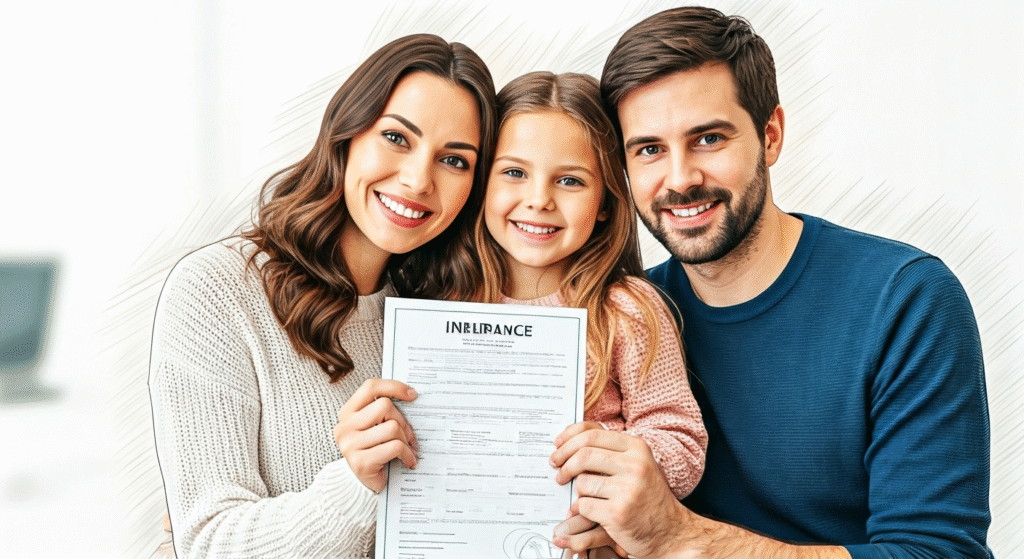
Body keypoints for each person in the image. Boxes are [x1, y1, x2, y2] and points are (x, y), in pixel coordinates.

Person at [548, 6, 993, 559]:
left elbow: (939, 553)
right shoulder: (622, 318)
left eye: (708, 139)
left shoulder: (904, 301)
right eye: (649, 150)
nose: (681, 178)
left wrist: (681, 537)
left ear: (771, 136)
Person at [148, 34, 497, 558]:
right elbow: (207, 543)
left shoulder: (449, 311)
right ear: (347, 132)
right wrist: (356, 485)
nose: (418, 179)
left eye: (455, 161)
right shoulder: (218, 291)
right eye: (397, 138)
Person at [449, 71, 708, 500]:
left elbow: (681, 440)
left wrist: (611, 458)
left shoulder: (626, 309)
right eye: (514, 172)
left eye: (569, 180)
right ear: (481, 185)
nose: (539, 200)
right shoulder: (444, 299)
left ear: (605, 201)